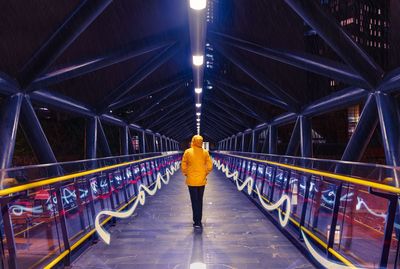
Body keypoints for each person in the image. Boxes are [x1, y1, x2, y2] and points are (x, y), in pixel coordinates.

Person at [181, 135, 213, 228]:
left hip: (191, 181)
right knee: (200, 200)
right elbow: (210, 165)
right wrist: (205, 173)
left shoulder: (187, 152)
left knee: (194, 201)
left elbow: (183, 164)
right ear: (201, 142)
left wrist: (187, 173)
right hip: (201, 181)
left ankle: (196, 221)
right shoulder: (205, 152)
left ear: (193, 141)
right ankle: (199, 220)